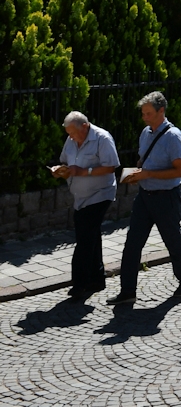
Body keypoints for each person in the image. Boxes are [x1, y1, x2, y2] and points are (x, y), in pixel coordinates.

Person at [110, 92, 181, 305]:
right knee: (132, 244)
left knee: (173, 241)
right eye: (143, 113)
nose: (144, 117)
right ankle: (127, 291)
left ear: (161, 111)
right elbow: (143, 160)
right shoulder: (145, 133)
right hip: (145, 196)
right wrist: (137, 173)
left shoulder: (174, 136)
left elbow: (178, 170)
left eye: (148, 113)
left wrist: (148, 174)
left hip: (166, 197)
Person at [54, 111, 119, 302]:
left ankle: (79, 282)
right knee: (91, 234)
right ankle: (97, 278)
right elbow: (65, 160)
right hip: (80, 197)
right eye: (69, 134)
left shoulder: (102, 138)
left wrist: (84, 172)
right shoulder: (71, 140)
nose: (71, 137)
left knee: (84, 236)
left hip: (100, 194)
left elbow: (111, 166)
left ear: (84, 126)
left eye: (73, 133)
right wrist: (61, 170)